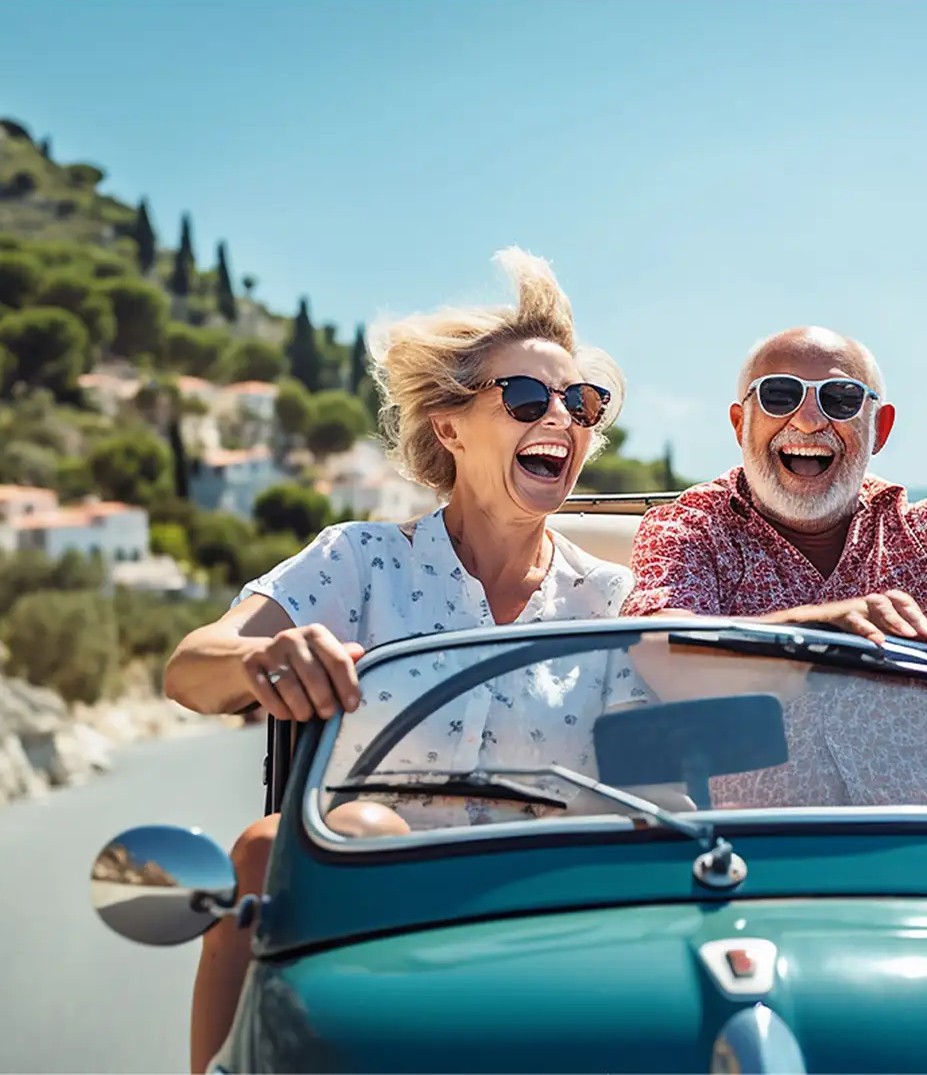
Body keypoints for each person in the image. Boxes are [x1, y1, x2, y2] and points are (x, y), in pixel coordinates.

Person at [163, 248, 633, 1074]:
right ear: (449, 427)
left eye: (582, 403)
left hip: (554, 928)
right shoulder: (359, 561)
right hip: (364, 926)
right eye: (526, 397)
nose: (561, 417)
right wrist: (265, 656)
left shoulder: (617, 601)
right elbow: (192, 669)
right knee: (271, 849)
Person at [621, 326, 927, 804]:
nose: (808, 420)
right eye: (780, 395)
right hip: (753, 867)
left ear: (881, 428)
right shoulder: (688, 529)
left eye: (841, 399)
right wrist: (806, 636)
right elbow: (659, 652)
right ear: (739, 423)